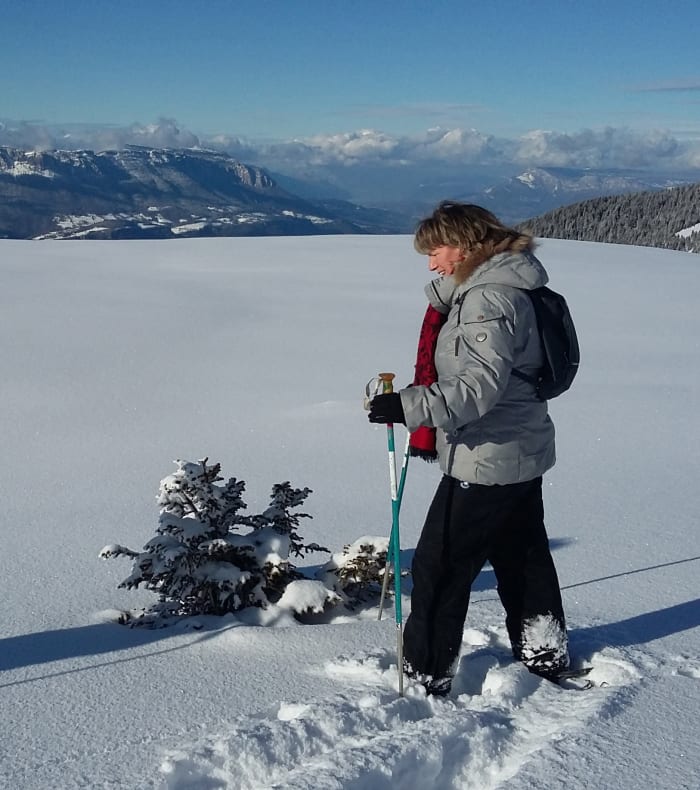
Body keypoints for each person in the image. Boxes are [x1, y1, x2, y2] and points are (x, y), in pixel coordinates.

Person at [368, 201, 569, 696]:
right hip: (520, 449)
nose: (432, 262)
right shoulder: (512, 285)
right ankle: (544, 650)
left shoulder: (489, 300)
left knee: (440, 566)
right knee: (523, 554)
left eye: (436, 251)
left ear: (465, 245)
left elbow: (478, 387)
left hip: (487, 456)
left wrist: (407, 406)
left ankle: (425, 673)